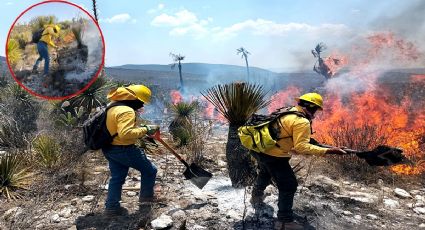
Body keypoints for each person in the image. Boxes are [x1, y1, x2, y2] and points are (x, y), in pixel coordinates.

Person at [250, 92, 346, 230]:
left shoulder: (288, 111)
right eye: (315, 109)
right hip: (274, 155)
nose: (315, 113)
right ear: (311, 107)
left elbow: (297, 138)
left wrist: (330, 147)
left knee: (265, 173)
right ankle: (284, 221)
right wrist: (329, 151)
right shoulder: (302, 121)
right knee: (289, 185)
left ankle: (256, 197)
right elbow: (301, 146)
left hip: (260, 150)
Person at [102, 84, 160, 216]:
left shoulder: (113, 107)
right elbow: (125, 133)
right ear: (133, 99)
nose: (142, 106)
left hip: (110, 148)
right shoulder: (127, 111)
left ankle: (111, 208)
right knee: (150, 170)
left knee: (117, 178)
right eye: (140, 102)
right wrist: (146, 129)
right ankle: (146, 199)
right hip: (124, 149)